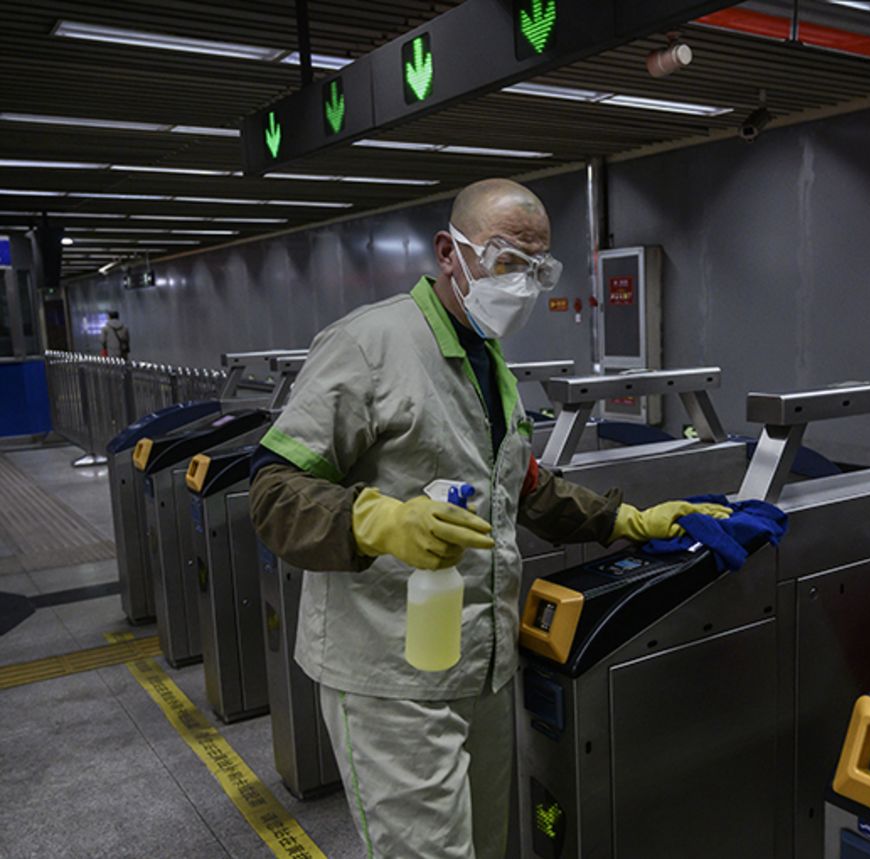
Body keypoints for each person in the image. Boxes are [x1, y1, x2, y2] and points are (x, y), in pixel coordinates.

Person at [249, 177, 728, 859]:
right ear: (450, 252)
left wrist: (629, 521)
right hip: (391, 674)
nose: (525, 285)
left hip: (478, 664)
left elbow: (521, 485)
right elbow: (271, 489)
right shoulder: (368, 345)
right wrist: (375, 520)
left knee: (489, 847)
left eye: (539, 268)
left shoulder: (489, 359)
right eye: (508, 262)